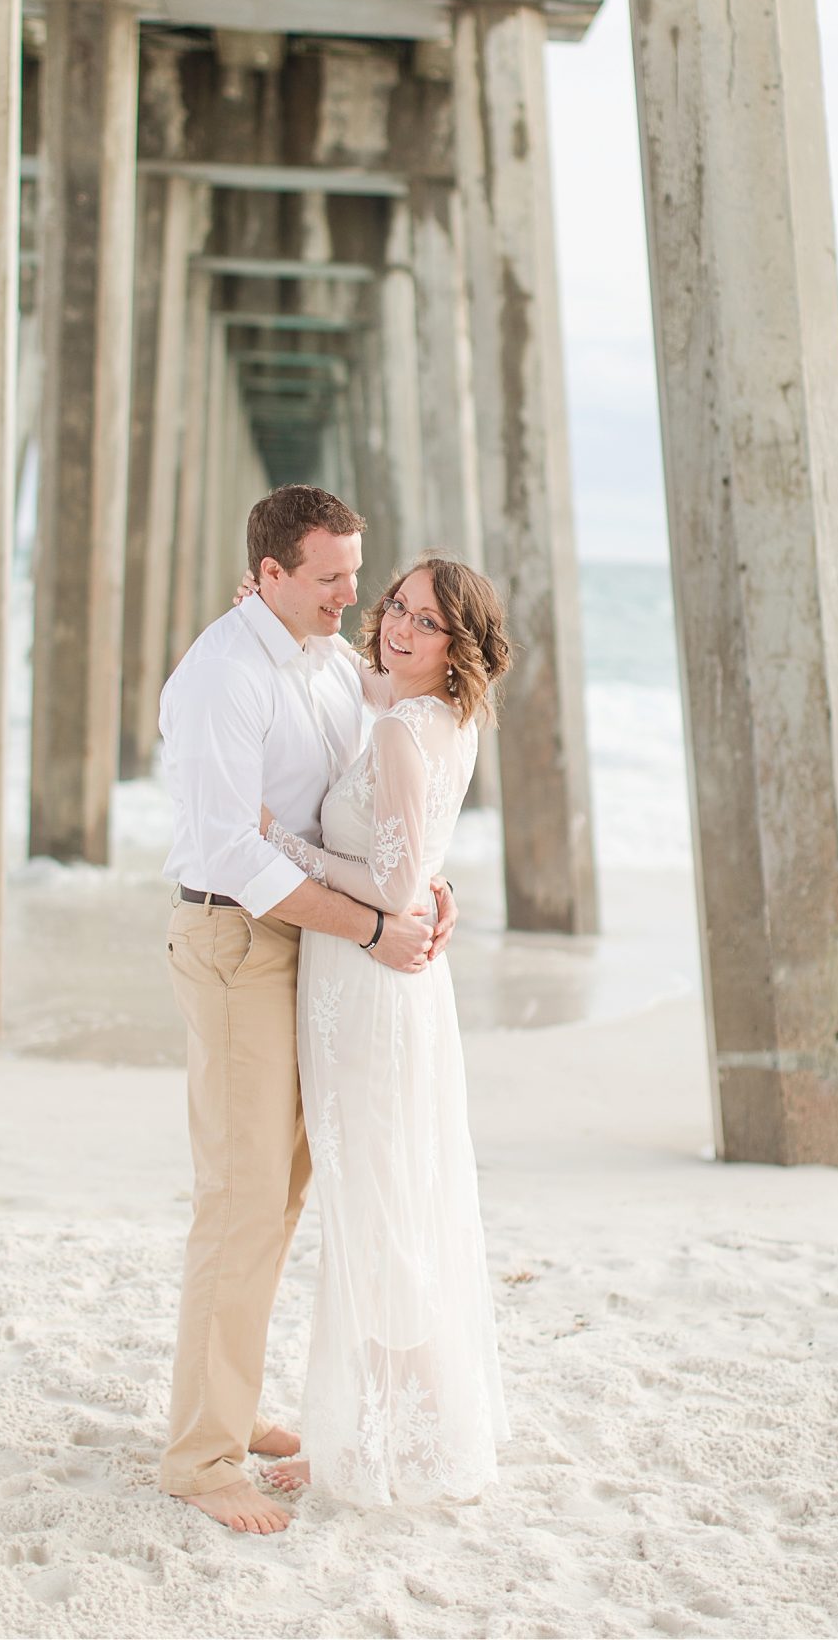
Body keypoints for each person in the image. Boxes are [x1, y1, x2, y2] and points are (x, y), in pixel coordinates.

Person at [156, 486, 459, 1536]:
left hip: (308, 935)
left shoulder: (329, 659)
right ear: (271, 573)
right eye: (329, 575)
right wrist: (373, 929)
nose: (353, 593)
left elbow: (378, 809)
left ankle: (227, 1408)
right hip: (238, 936)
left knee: (282, 1193)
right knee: (239, 1200)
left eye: (353, 572)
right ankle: (200, 1455)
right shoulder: (221, 675)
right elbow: (231, 847)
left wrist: (419, 890)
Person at [248, 553, 514, 1507]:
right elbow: (353, 679)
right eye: (396, 606)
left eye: (427, 622)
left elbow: (398, 887)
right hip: (393, 993)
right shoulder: (446, 714)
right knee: (387, 1202)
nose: (399, 627)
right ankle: (379, 1429)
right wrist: (282, 621)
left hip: (363, 987)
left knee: (374, 1212)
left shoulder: (404, 729)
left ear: (459, 646)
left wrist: (282, 840)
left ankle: (387, 1439)